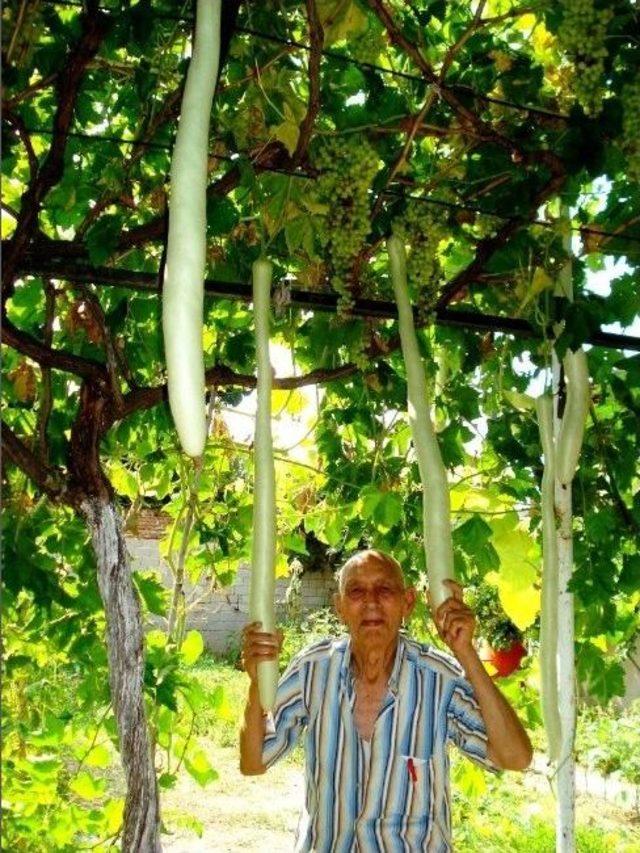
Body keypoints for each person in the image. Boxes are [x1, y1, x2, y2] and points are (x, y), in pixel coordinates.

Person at [239, 549, 532, 852]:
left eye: (385, 589)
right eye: (356, 591)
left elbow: (516, 757)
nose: (371, 602)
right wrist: (257, 683)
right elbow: (253, 762)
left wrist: (466, 652)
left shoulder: (438, 678)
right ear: (339, 606)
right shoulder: (312, 670)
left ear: (407, 602)